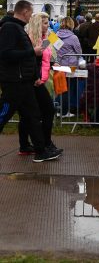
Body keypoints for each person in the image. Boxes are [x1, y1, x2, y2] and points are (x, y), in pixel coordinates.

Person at [0, 0, 60, 162]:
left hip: (24, 80)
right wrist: (32, 52)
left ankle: (40, 150)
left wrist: (33, 75)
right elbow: (6, 54)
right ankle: (39, 148)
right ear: (25, 12)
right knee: (4, 114)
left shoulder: (16, 28)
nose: (30, 16)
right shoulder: (10, 28)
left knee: (32, 115)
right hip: (14, 81)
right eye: (30, 12)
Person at [18, 12, 62, 156]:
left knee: (30, 115)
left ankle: (30, 145)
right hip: (34, 81)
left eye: (48, 22)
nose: (48, 25)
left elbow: (45, 56)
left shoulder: (46, 38)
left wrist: (52, 63)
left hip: (40, 78)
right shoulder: (30, 38)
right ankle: (44, 144)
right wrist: (35, 76)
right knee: (44, 111)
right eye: (44, 23)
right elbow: (31, 60)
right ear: (37, 24)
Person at [55, 16, 83, 116]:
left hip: (58, 65)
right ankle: (65, 111)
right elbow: (79, 52)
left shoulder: (54, 36)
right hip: (70, 66)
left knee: (60, 88)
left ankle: (58, 110)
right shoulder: (73, 37)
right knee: (68, 89)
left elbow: (54, 49)